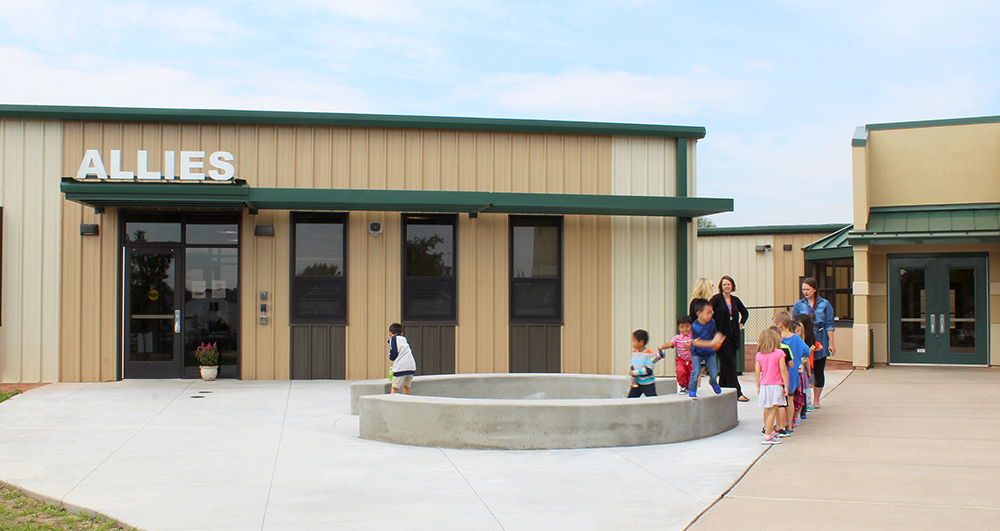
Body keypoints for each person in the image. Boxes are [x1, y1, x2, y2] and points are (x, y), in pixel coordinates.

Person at [793, 278, 836, 409]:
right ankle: (804, 398)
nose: (805, 292)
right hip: (804, 337)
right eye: (803, 290)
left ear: (814, 289)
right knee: (804, 369)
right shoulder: (799, 305)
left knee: (818, 369)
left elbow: (829, 324)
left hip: (820, 335)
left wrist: (832, 343)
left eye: (808, 289)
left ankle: (817, 399)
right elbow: (794, 324)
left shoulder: (825, 304)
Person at [710, 276, 750, 402]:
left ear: (732, 286)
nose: (726, 286)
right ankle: (737, 392)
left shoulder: (735, 300)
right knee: (730, 365)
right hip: (720, 337)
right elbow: (707, 312)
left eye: (728, 284)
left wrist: (741, 323)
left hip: (733, 337)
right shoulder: (716, 299)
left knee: (726, 365)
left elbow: (745, 313)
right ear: (721, 286)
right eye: (724, 284)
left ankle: (723, 388)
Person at [775, 311, 809, 434]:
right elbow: (807, 352)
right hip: (793, 374)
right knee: (790, 398)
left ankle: (780, 424)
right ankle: (789, 425)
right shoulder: (796, 339)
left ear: (779, 325)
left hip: (778, 375)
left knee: (779, 401)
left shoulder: (777, 340)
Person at [755, 327, 789, 445]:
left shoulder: (759, 355)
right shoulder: (779, 353)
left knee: (768, 409)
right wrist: (786, 385)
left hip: (764, 385)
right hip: (776, 385)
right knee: (773, 411)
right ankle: (768, 435)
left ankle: (769, 430)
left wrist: (758, 385)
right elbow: (783, 370)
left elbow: (757, 371)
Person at [688, 299, 724, 399]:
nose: (710, 315)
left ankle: (713, 381)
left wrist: (718, 337)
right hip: (697, 353)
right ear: (699, 313)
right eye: (708, 313)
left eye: (711, 312)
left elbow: (715, 333)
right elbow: (696, 342)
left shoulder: (711, 322)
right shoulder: (694, 326)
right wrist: (711, 343)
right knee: (696, 372)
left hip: (710, 353)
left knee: (713, 371)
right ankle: (692, 388)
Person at [657, 315, 693, 394]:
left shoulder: (694, 336)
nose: (685, 329)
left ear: (691, 326)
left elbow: (699, 343)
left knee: (692, 374)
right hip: (682, 359)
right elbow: (670, 344)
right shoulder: (677, 338)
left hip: (692, 360)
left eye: (687, 326)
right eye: (682, 327)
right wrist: (662, 347)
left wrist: (692, 345)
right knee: (681, 371)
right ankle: (683, 386)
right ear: (679, 328)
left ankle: (691, 386)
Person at [628, 329, 660, 398]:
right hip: (637, 383)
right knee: (630, 399)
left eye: (634, 341)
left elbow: (649, 370)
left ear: (641, 342)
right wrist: (632, 371)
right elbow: (633, 364)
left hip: (648, 383)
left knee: (653, 400)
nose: (632, 343)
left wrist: (635, 373)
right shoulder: (634, 352)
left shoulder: (649, 354)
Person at [387, 323, 416, 394]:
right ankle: (407, 402)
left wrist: (391, 357)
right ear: (402, 333)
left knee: (394, 387)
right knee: (406, 386)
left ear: (390, 333)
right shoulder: (404, 339)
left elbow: (394, 352)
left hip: (401, 367)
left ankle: (392, 403)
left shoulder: (393, 339)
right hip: (411, 366)